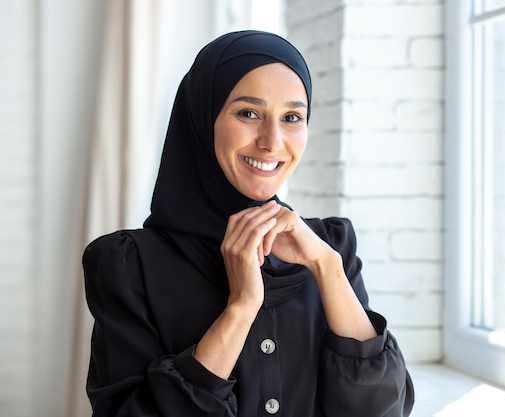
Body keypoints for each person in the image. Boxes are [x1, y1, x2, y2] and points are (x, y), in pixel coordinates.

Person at [83, 30, 414, 417]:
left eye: (292, 117)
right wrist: (240, 308)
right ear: (204, 119)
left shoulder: (329, 248)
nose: (272, 142)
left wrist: (328, 270)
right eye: (248, 113)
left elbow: (382, 410)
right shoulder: (130, 265)